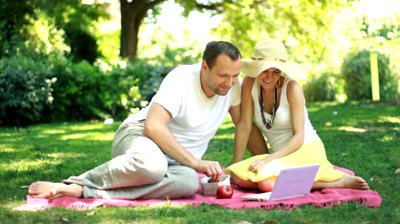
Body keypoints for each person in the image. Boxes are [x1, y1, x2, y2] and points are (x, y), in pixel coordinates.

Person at [28, 41, 249, 200]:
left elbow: (243, 123)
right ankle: (75, 183)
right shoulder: (182, 78)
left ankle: (90, 192)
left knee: (188, 183)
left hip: (175, 159)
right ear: (204, 67)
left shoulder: (232, 87)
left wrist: (246, 164)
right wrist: (195, 163)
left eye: (234, 76)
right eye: (223, 76)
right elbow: (153, 126)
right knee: (151, 166)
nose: (229, 83)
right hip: (141, 135)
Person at [225, 38, 369, 192]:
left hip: (306, 147)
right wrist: (235, 164)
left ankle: (335, 182)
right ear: (255, 68)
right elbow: (245, 125)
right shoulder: (249, 83)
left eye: (276, 72)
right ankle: (302, 179)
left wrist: (268, 160)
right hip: (281, 155)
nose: (269, 77)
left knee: (267, 184)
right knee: (236, 176)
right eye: (264, 71)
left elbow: (299, 136)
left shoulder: (292, 88)